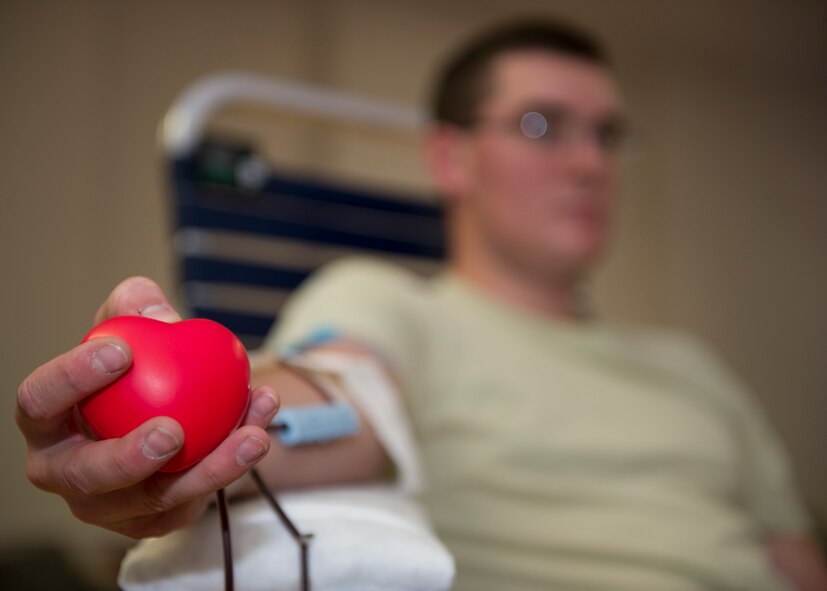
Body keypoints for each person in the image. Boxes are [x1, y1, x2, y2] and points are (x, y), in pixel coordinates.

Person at [16, 18, 827, 591]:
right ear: (451, 156)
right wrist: (178, 436)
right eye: (544, 125)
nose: (589, 161)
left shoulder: (694, 367)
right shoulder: (389, 301)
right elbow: (342, 394)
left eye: (607, 133)